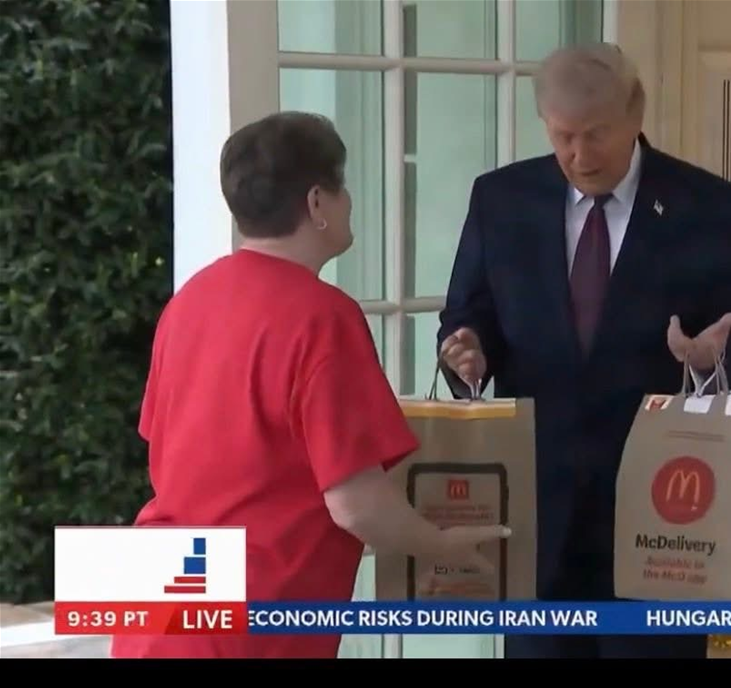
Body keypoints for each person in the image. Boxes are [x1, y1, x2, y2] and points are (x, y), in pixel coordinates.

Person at [109, 112, 508, 660]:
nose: (349, 202)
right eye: (342, 186)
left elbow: (169, 451)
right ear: (317, 202)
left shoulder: (189, 301)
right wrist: (441, 546)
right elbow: (355, 503)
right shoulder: (322, 317)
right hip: (253, 620)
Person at [437, 44, 731, 659]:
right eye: (563, 136)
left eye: (596, 135)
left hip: (662, 513)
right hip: (537, 512)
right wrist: (468, 353)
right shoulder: (501, 199)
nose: (580, 155)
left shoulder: (708, 205)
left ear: (635, 115)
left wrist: (708, 363)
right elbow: (467, 314)